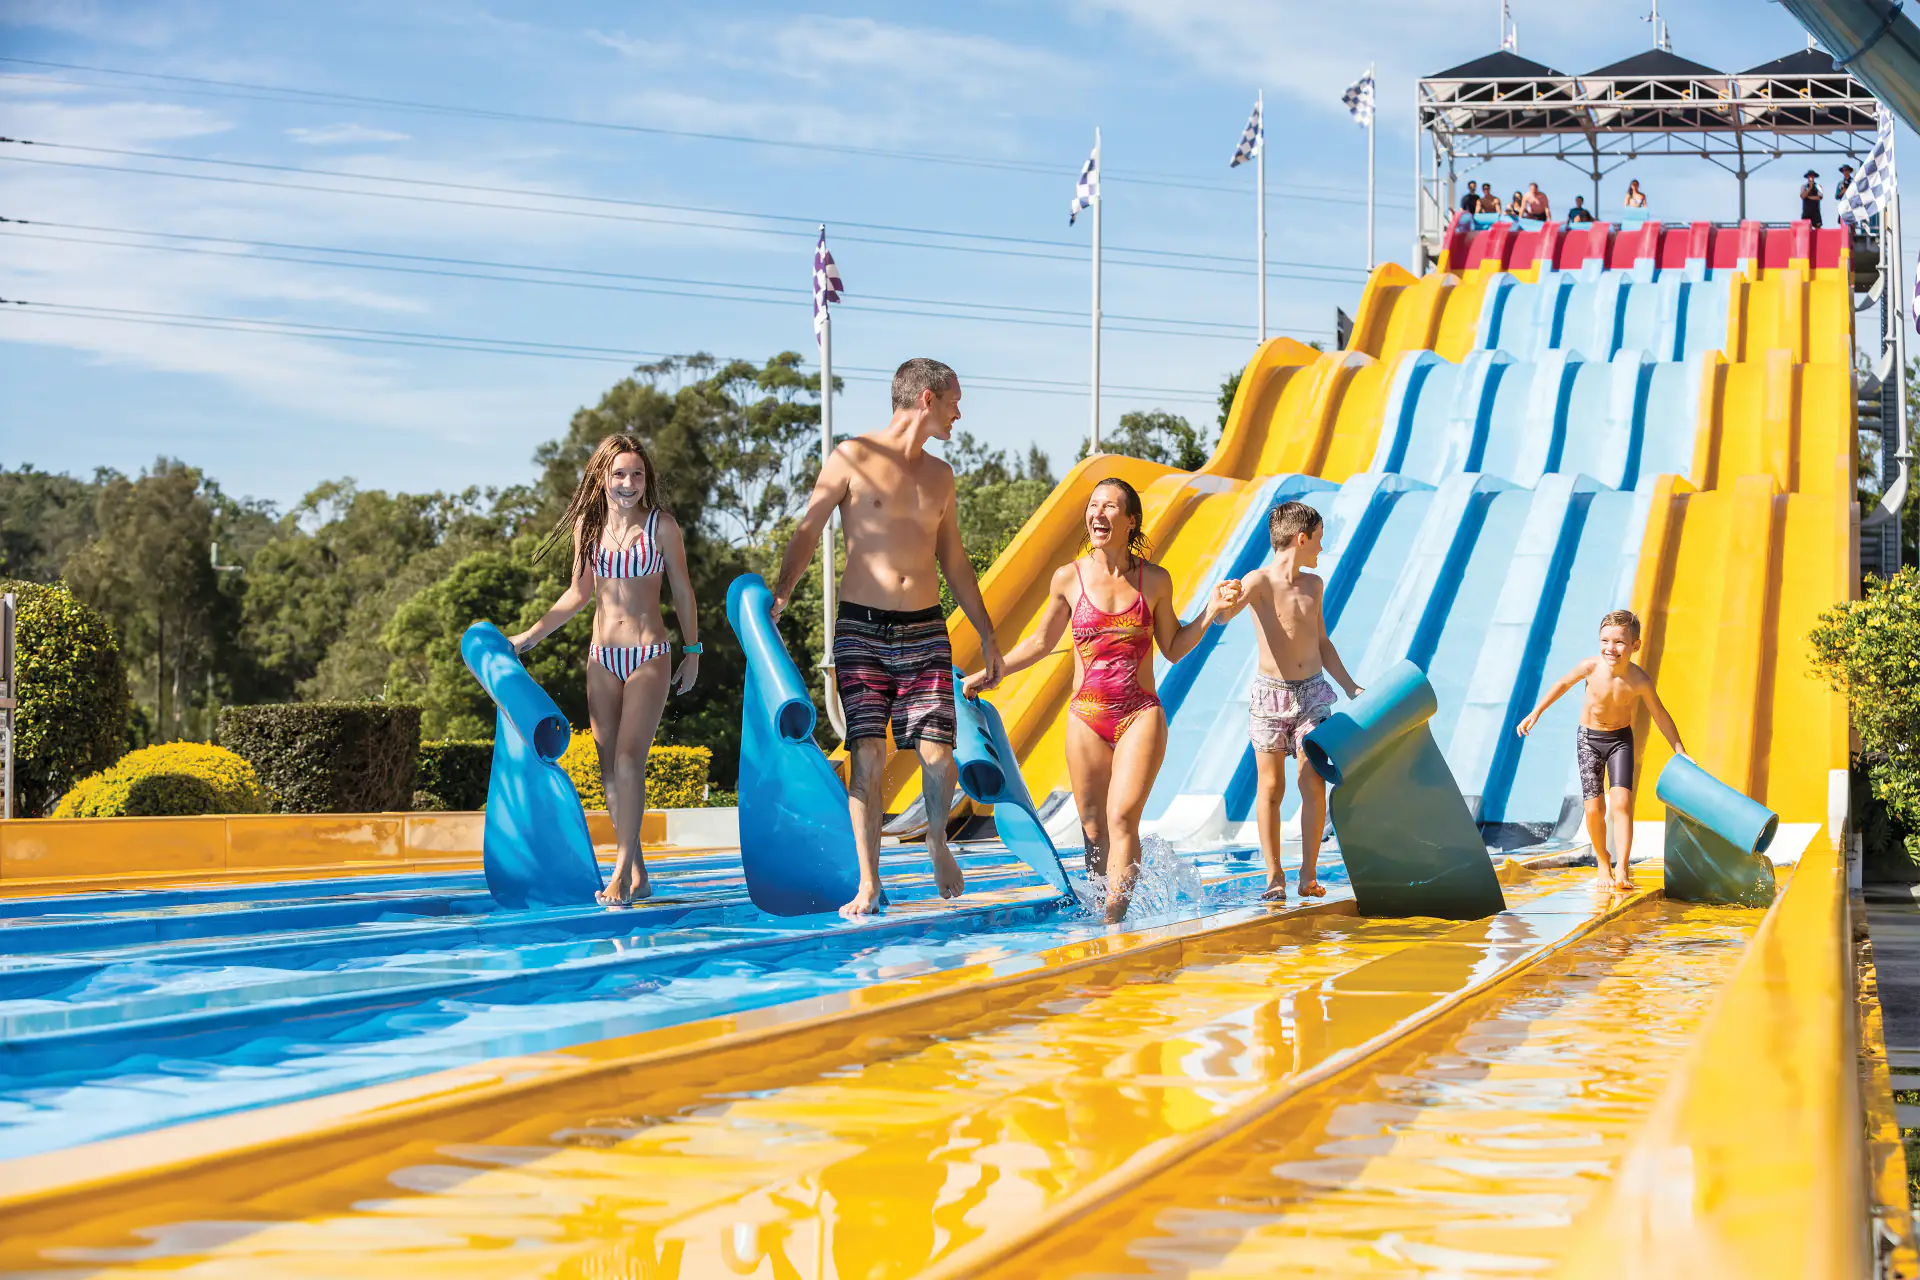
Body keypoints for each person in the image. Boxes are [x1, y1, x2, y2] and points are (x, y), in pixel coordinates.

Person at [771, 357, 1001, 918]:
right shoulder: (850, 457)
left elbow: (954, 560)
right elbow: (808, 528)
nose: (959, 413)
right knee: (868, 753)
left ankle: (936, 841)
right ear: (927, 399)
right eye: (954, 401)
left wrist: (988, 635)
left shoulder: (941, 476)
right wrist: (781, 594)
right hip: (861, 629)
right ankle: (869, 882)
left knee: (938, 753)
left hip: (926, 629)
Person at [963, 479, 1228, 922]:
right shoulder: (1068, 578)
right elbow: (1041, 642)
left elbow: (1173, 647)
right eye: (1093, 506)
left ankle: (1112, 922)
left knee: (1122, 817)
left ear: (1131, 520)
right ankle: (1104, 911)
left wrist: (1211, 611)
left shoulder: (1155, 580)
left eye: (1109, 506)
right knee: (1092, 829)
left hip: (1140, 713)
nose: (1097, 514)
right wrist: (992, 673)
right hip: (1086, 717)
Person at [512, 434, 701, 907]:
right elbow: (578, 595)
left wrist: (693, 651)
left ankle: (618, 873)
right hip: (602, 657)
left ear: (646, 479)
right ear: (602, 478)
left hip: (649, 654)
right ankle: (637, 873)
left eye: (637, 474)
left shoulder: (662, 527)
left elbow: (682, 590)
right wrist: (529, 637)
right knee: (608, 768)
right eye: (619, 474)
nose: (629, 483)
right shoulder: (589, 527)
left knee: (628, 760)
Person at [1212, 501, 1363, 901]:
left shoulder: (1314, 585)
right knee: (1271, 787)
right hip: (1270, 697)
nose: (1322, 548)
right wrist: (1222, 603)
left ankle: (1307, 873)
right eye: (1319, 539)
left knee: (1312, 780)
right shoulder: (1258, 580)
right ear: (1301, 538)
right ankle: (1274, 874)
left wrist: (1350, 686)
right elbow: (1225, 616)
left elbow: (1322, 642)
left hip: (1312, 693)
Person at [1514, 609, 1687, 892]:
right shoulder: (1590, 667)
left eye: (1619, 642)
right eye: (1605, 640)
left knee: (1622, 803)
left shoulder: (1640, 681)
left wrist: (1679, 750)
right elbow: (1562, 684)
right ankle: (1603, 861)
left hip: (1620, 740)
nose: (1610, 648)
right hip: (1589, 740)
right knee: (1594, 809)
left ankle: (1622, 866)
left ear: (1635, 646)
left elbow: (1659, 714)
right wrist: (1536, 713)